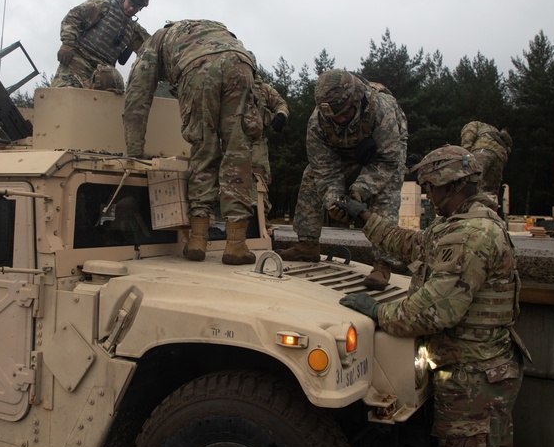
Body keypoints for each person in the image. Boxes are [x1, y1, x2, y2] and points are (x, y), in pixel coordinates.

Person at [336, 145, 529, 447]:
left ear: (451, 186)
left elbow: (434, 311)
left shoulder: (469, 235)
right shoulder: (465, 222)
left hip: (473, 378)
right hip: (482, 370)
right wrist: (365, 218)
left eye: (431, 187)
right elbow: (413, 245)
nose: (427, 194)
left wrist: (378, 312)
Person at [123, 19, 262, 265]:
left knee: (204, 150)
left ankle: (198, 239)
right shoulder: (201, 28)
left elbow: (137, 98)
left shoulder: (151, 45)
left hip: (198, 68)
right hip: (241, 62)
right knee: (237, 152)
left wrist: (134, 152)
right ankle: (236, 245)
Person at [275, 69, 408, 283]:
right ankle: (307, 245)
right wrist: (334, 201)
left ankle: (383, 264)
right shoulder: (318, 122)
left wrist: (359, 191)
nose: (341, 119)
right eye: (335, 116)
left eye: (345, 113)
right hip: (344, 154)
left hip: (384, 155)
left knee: (386, 193)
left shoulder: (383, 109)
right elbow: (324, 168)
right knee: (310, 175)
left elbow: (388, 160)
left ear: (357, 100)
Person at [52, 0, 151, 89]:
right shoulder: (103, 6)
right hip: (78, 62)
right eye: (131, 3)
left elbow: (151, 47)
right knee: (64, 96)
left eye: (137, 7)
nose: (132, 8)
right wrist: (68, 44)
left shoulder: (133, 29)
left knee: (115, 90)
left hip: (102, 73)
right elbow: (74, 17)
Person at [251, 72, 289, 222]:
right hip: (229, 141)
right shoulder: (229, 85)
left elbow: (281, 104)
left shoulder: (264, 89)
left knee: (259, 181)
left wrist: (281, 115)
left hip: (256, 143)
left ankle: (260, 221)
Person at [459, 121, 512, 205]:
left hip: (484, 151)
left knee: (473, 181)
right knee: (490, 190)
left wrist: (465, 166)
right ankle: (490, 212)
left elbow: (466, 146)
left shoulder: (471, 125)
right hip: (501, 156)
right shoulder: (492, 129)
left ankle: (471, 210)